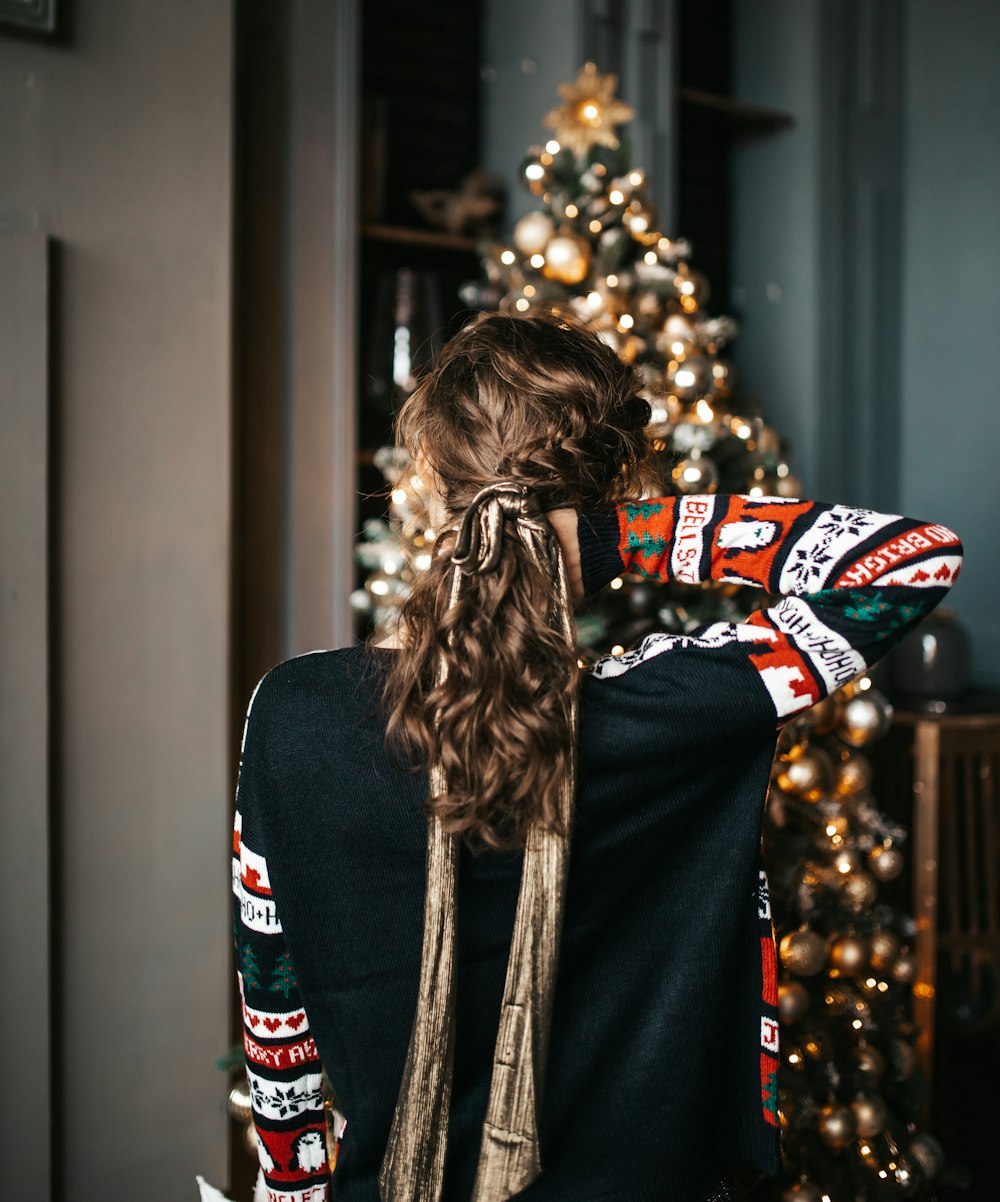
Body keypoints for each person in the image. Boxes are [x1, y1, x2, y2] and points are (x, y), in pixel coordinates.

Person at [232, 312, 964, 1202]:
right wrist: (614, 538)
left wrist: (292, 1187)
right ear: (612, 485)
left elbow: (277, 1019)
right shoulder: (673, 708)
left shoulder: (294, 713)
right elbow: (905, 563)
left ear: (428, 484)